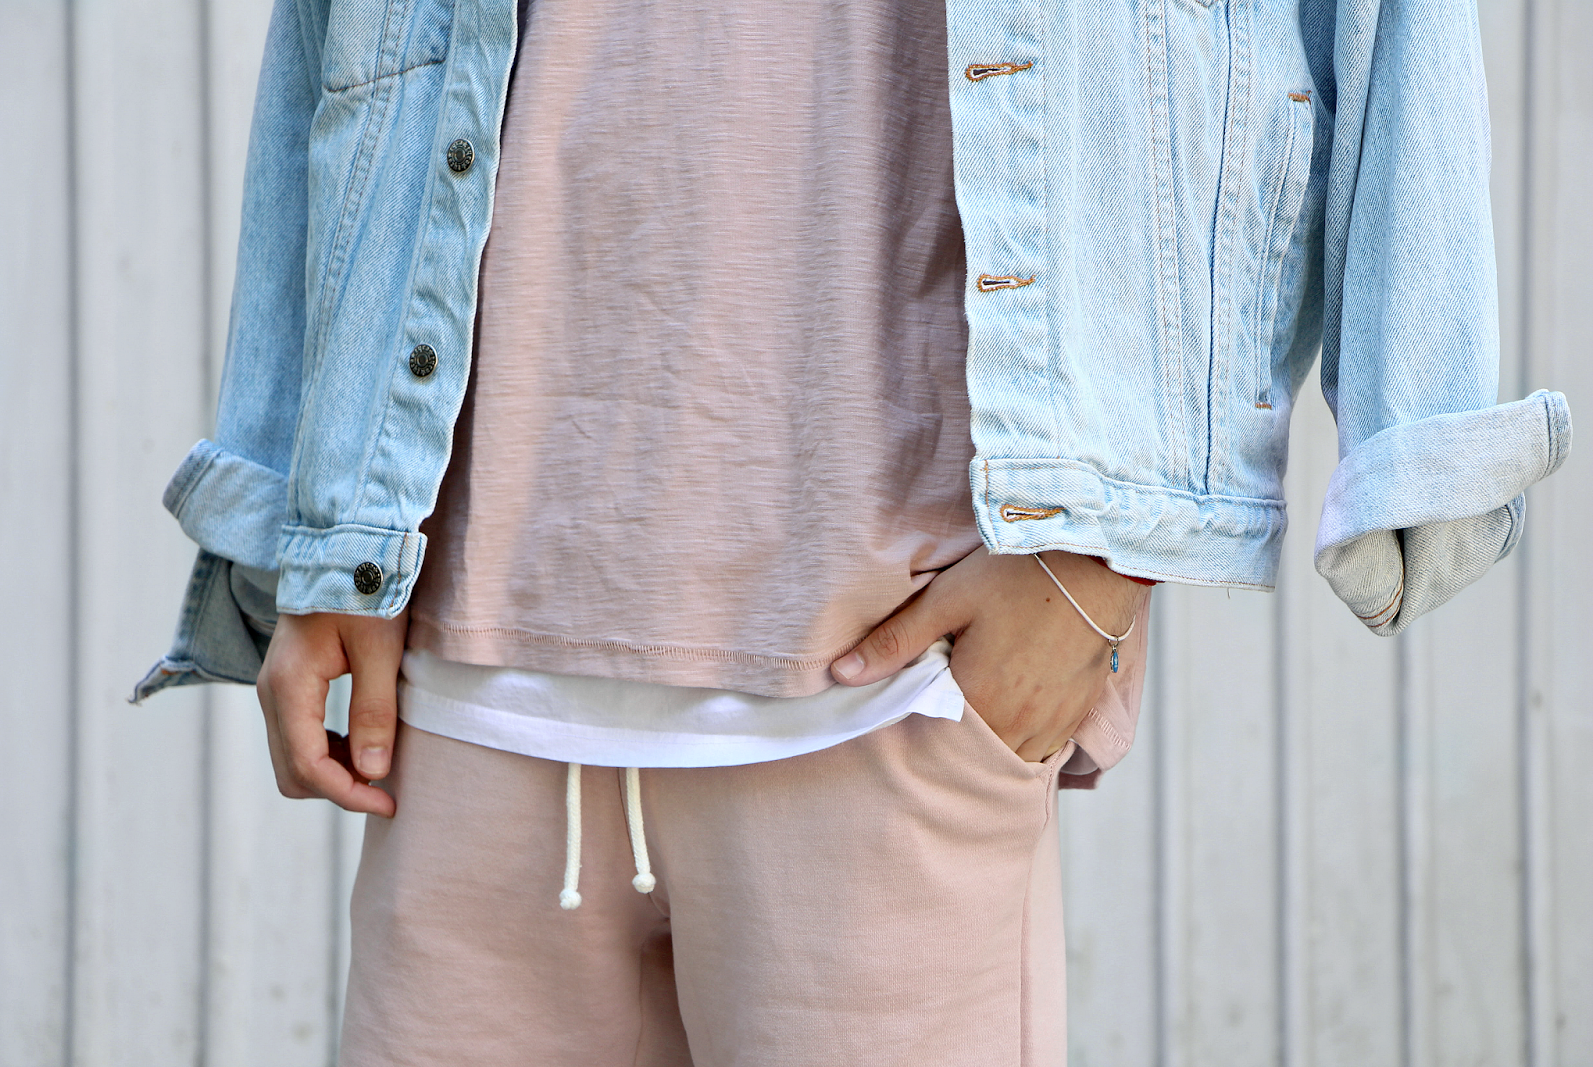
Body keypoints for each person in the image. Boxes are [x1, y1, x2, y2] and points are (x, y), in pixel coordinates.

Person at [137, 0, 1570, 1063]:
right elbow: (340, 47)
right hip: (459, 688)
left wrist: (1101, 561)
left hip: (892, 690)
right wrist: (309, 514)